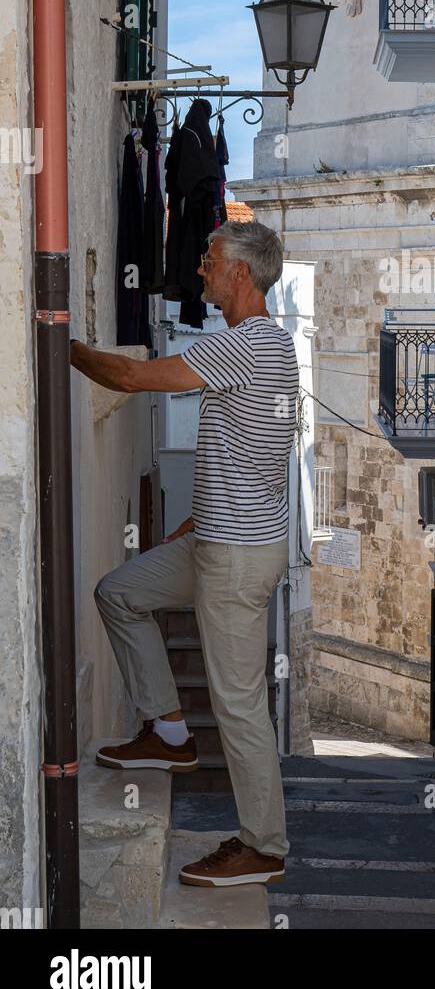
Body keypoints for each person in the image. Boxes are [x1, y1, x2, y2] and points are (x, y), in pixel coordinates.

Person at [71, 219, 299, 887]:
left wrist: (62, 345)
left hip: (235, 557)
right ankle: (169, 732)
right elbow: (261, 448)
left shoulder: (247, 344)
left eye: (208, 258)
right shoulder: (270, 347)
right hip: (218, 540)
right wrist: (200, 517)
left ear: (240, 273)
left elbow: (136, 378)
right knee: (121, 593)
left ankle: (263, 845)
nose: (198, 267)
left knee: (238, 706)